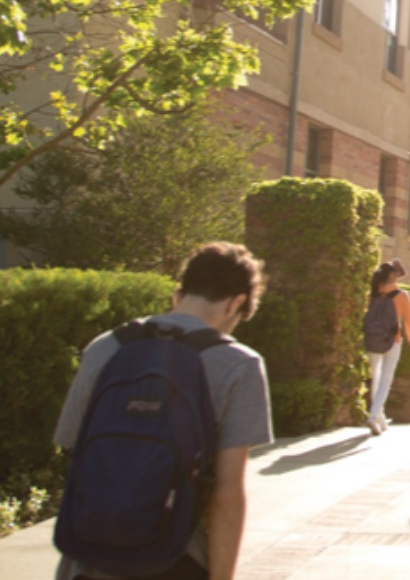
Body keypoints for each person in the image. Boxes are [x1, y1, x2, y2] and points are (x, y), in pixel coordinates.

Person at [54, 242, 272, 580]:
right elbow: (227, 494)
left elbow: (73, 445)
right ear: (236, 304)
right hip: (177, 558)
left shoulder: (105, 347)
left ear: (178, 294)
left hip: (89, 555)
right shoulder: (239, 364)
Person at [363, 259, 410, 436]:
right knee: (385, 380)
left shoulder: (374, 293)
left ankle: (379, 417)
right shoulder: (402, 296)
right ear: (393, 276)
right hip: (392, 341)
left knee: (376, 378)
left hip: (373, 339)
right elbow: (409, 321)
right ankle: (373, 416)